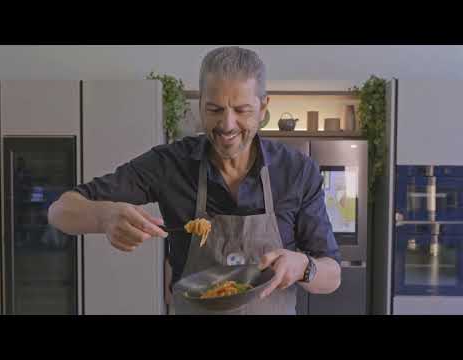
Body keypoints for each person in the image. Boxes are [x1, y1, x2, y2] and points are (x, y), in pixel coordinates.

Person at [48, 46, 341, 315]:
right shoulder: (170, 164)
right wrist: (104, 217)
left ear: (263, 108)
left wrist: (304, 267)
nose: (227, 125)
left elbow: (332, 275)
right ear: (200, 105)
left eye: (242, 110)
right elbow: (60, 211)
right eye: (215, 109)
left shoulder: (297, 171)